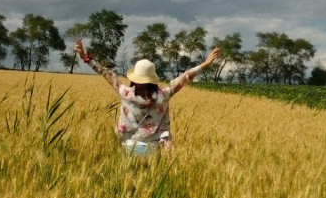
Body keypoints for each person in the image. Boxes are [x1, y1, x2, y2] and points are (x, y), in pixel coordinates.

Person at [75, 39, 221, 156]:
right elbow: (185, 77)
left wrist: (86, 58)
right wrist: (205, 64)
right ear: (153, 79)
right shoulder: (163, 95)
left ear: (134, 78)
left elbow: (106, 74)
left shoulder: (126, 93)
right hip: (155, 149)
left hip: (127, 146)